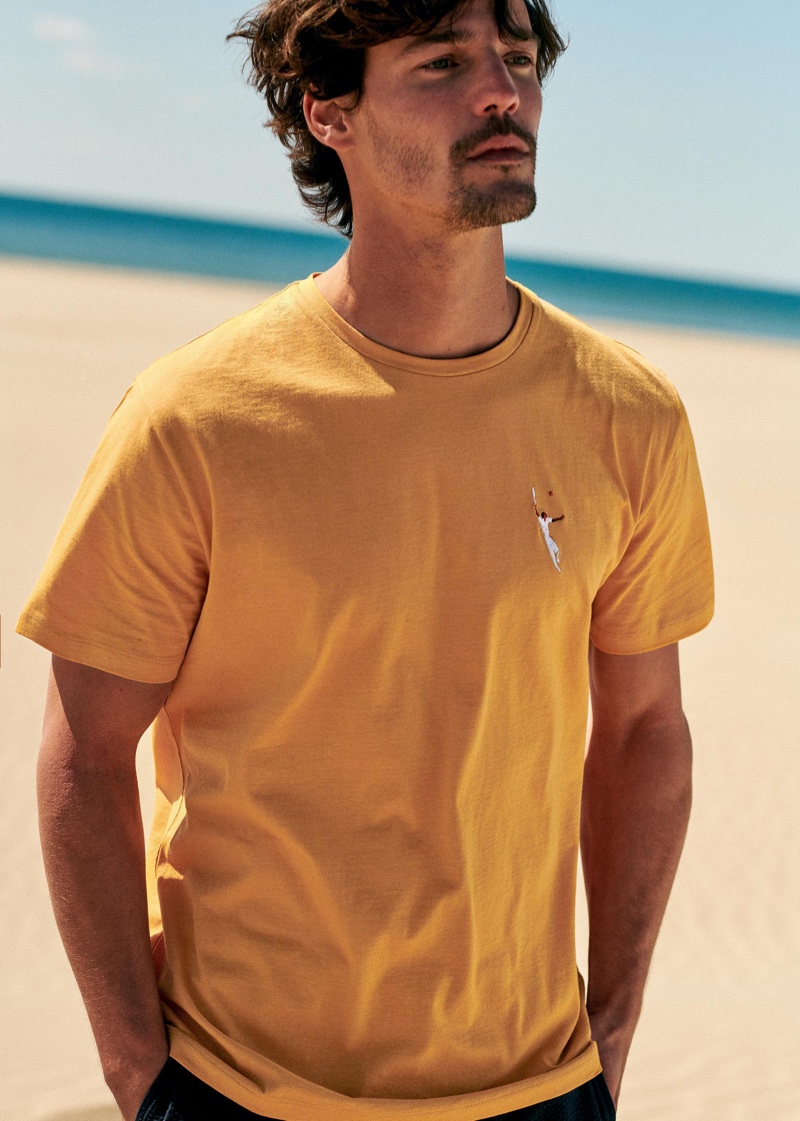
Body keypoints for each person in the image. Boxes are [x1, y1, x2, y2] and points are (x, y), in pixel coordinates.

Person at [16, 0, 715, 1118]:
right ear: (328, 111)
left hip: (540, 1083)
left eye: (518, 57)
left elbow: (642, 729)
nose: (503, 91)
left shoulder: (627, 415)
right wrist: (138, 1075)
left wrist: (614, 1027)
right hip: (245, 1087)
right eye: (443, 62)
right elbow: (83, 754)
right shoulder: (196, 418)